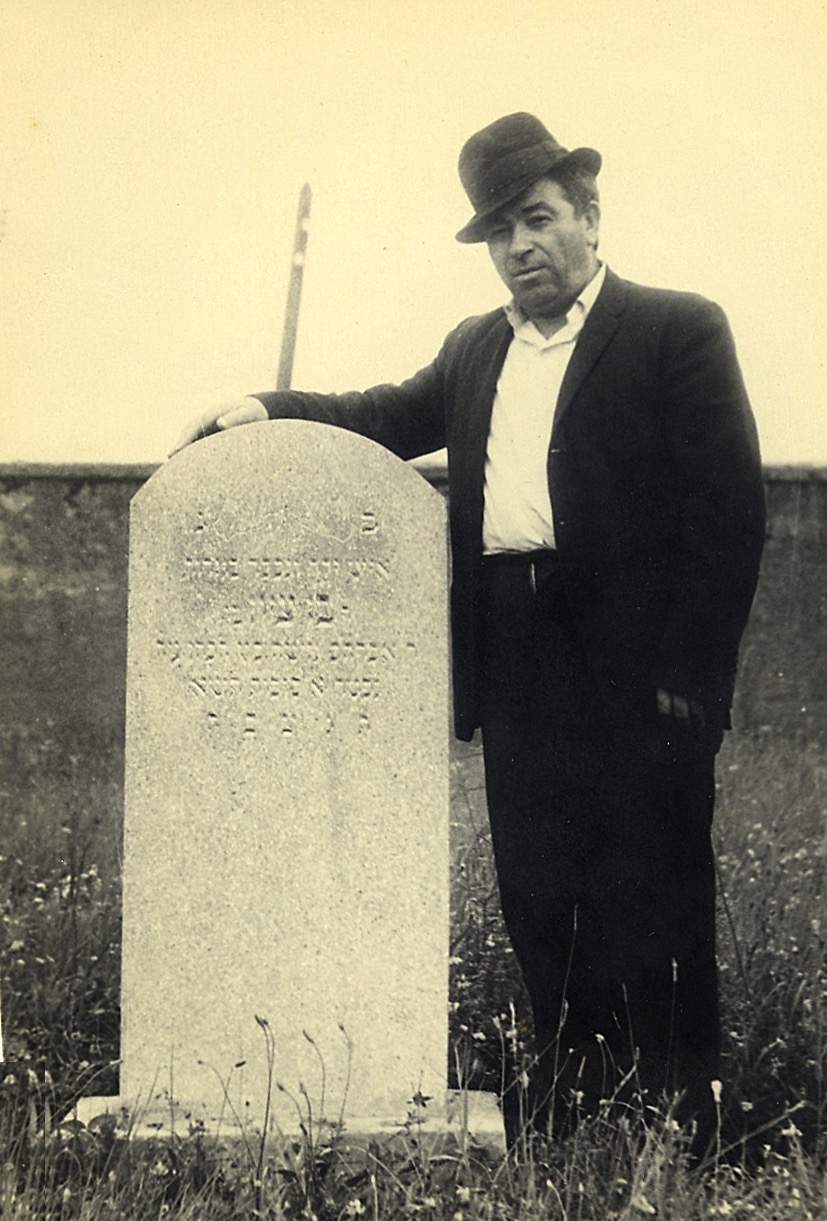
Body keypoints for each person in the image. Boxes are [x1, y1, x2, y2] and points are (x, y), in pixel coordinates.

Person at [172, 113, 766, 1151]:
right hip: (515, 656)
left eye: (536, 220)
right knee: (540, 888)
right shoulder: (475, 347)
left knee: (654, 884)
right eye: (498, 233)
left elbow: (726, 514)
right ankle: (574, 1104)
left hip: (637, 668)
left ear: (587, 215)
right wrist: (263, 405)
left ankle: (680, 1118)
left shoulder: (677, 328)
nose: (518, 247)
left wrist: (690, 669)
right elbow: (385, 412)